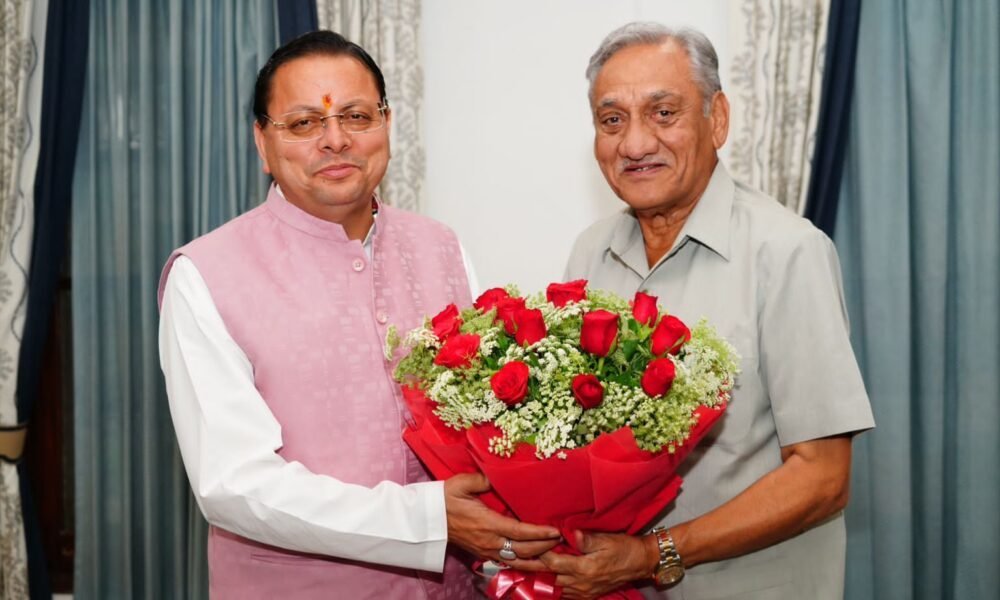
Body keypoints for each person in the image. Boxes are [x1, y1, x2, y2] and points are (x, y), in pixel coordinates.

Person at [157, 31, 559, 599]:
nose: (336, 139)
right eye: (304, 123)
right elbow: (233, 483)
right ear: (262, 143)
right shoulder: (206, 274)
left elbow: (488, 423)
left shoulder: (442, 248)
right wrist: (427, 520)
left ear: (387, 124)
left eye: (356, 116)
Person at [535, 22, 876, 600]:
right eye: (612, 120)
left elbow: (822, 477)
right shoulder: (590, 253)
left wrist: (653, 554)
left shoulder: (786, 251)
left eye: (663, 113)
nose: (635, 143)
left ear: (717, 119)